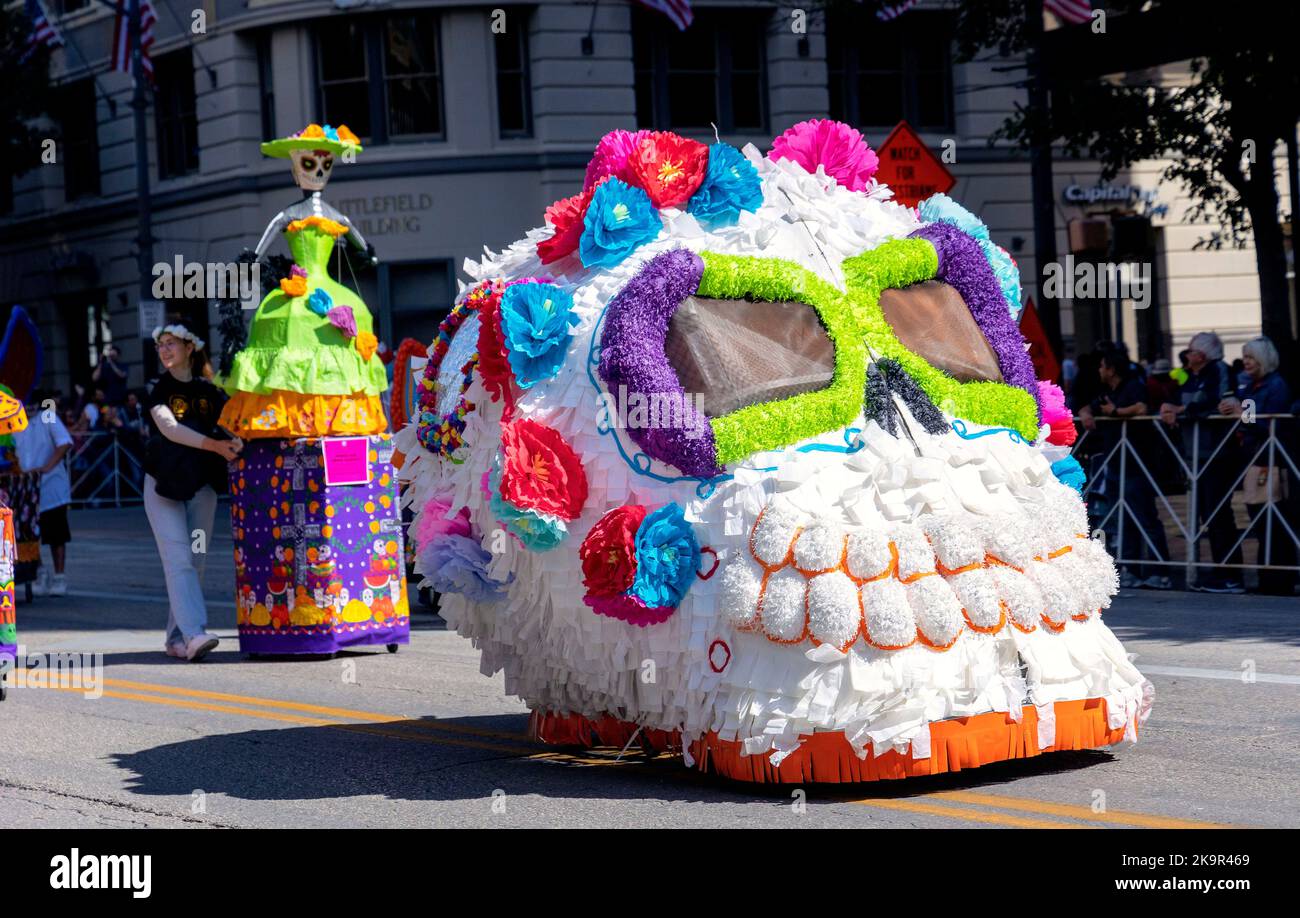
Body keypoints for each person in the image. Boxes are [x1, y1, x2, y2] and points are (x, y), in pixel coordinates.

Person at [143, 323, 242, 661]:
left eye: (171, 344)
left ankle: (175, 638)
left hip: (202, 488)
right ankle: (195, 633)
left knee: (195, 561)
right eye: (161, 345)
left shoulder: (210, 392)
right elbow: (170, 429)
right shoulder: (158, 389)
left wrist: (237, 440)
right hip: (163, 487)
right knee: (178, 558)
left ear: (189, 348)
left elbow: (234, 424)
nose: (165, 350)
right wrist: (214, 445)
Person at [1160, 331, 1244, 592]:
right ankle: (1218, 571)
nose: (1187, 353)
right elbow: (1178, 397)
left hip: (1218, 454)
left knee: (1219, 514)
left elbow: (1216, 402)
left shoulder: (1219, 371)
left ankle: (1231, 575)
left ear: (1204, 354)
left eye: (1192, 349)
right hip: (1196, 455)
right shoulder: (1191, 375)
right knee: (1208, 514)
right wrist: (1167, 407)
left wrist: (1182, 411)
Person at [1081, 347, 1171, 588]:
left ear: (1111, 369)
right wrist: (1087, 414)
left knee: (1145, 516)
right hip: (1115, 462)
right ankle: (1130, 568)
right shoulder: (1107, 391)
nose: (1099, 370)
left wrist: (1117, 412)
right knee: (1123, 517)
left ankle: (1160, 570)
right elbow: (1087, 407)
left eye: (1102, 366)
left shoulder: (1133, 386)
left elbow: (1141, 408)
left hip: (1136, 462)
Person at [1219, 336, 1295, 595]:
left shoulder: (1275, 385)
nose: (1246, 362)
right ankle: (1269, 577)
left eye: (1251, 358)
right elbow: (1246, 414)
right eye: (1245, 357)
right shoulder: (1247, 384)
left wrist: (1242, 413)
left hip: (1269, 458)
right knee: (1258, 516)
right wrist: (1230, 406)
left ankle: (1278, 579)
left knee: (1271, 517)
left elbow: (1268, 422)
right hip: (1250, 456)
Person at [12, 394, 75, 597]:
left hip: (50, 486)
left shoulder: (46, 416)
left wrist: (47, 467)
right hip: (25, 488)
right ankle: (40, 573)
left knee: (56, 534)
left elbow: (64, 442)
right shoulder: (13, 421)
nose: (28, 408)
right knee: (28, 533)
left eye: (30, 403)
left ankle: (60, 577)